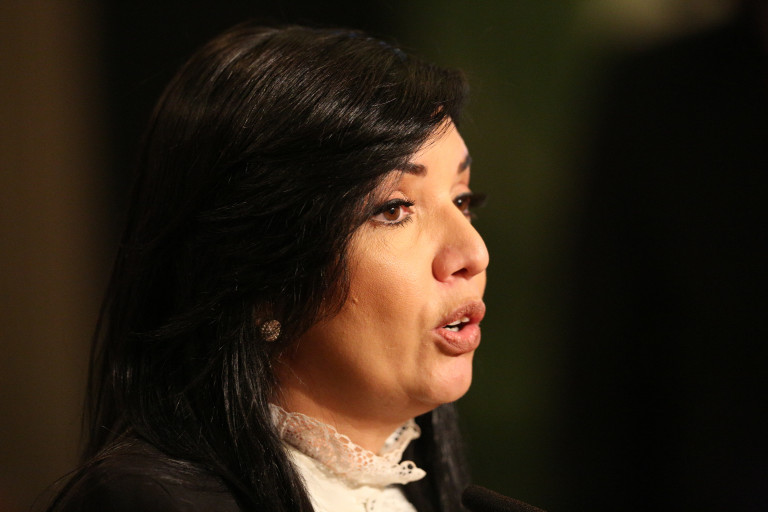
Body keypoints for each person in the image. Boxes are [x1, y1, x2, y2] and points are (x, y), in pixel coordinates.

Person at [46, 22, 488, 512]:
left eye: (462, 199)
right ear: (262, 281)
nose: (474, 254)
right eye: (394, 209)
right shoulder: (149, 501)